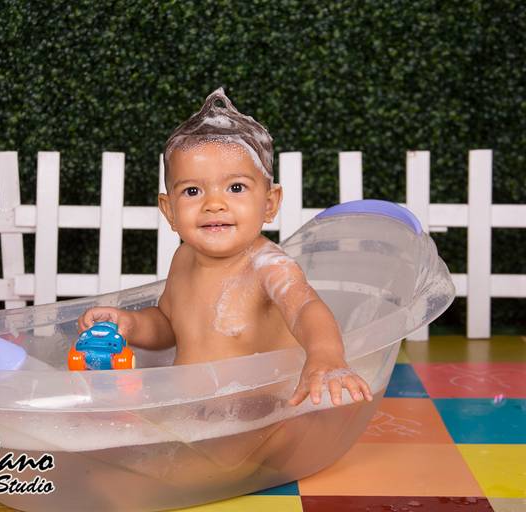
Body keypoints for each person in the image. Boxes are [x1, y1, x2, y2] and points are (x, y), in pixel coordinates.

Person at [79, 88, 372, 407]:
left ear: (270, 203)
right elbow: (170, 324)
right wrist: (131, 324)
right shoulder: (184, 258)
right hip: (193, 412)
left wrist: (325, 354)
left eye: (236, 187)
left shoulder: (269, 266)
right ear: (170, 211)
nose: (214, 204)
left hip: (260, 411)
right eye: (192, 191)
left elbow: (305, 309)